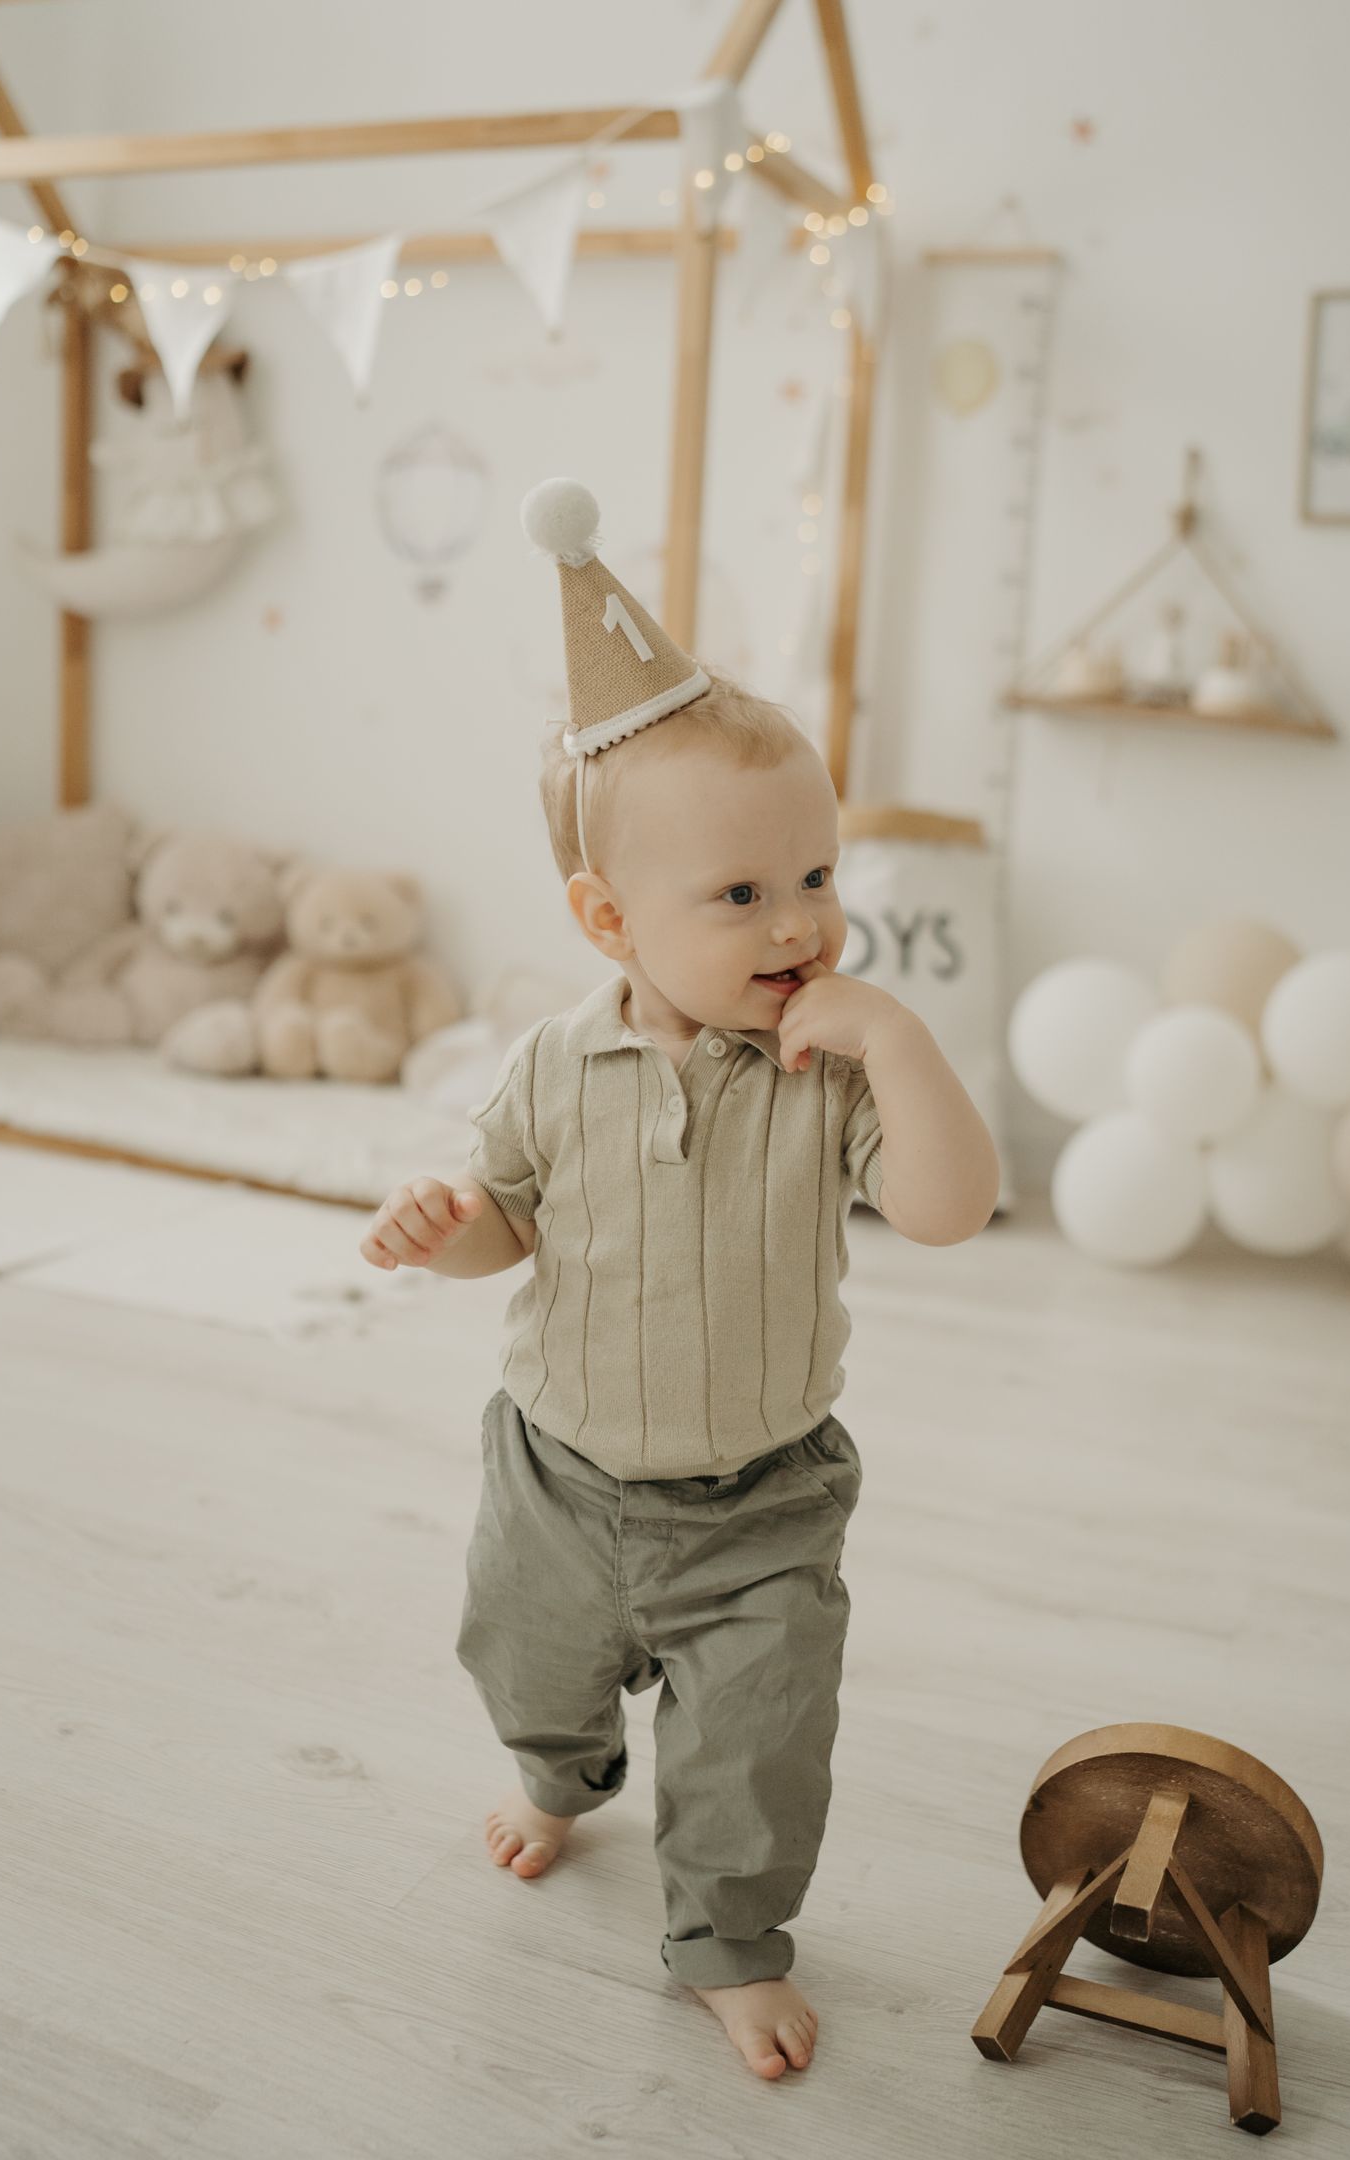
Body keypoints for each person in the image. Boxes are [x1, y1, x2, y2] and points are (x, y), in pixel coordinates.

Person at [360, 481, 1000, 2080]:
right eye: (743, 896)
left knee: (758, 1745)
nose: (801, 926)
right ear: (608, 919)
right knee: (524, 1663)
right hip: (559, 1481)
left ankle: (727, 1939)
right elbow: (509, 1220)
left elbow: (950, 1210)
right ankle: (559, 1778)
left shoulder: (826, 1065)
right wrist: (451, 1229)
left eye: (818, 877)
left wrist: (900, 1041)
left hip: (761, 1499)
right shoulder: (550, 1063)